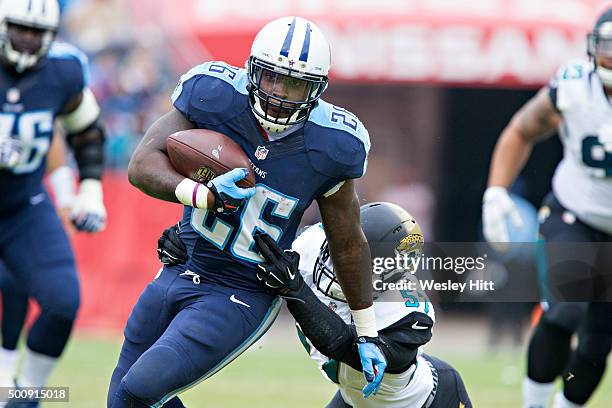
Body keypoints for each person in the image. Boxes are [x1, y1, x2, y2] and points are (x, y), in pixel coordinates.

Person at [108, 16, 383, 408]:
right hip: (180, 265)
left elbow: (347, 239)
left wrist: (367, 329)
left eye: (296, 84)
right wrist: (201, 196)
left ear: (318, 88)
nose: (280, 94)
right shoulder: (213, 95)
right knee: (123, 400)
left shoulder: (334, 144)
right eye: (272, 78)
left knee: (138, 392)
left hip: (240, 290)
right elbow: (142, 164)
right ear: (252, 69)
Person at [156, 202, 472, 407]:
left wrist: (295, 289)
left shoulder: (408, 314)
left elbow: (346, 347)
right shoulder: (310, 245)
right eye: (342, 253)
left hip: (427, 401)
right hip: (353, 399)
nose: (343, 268)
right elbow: (247, 257)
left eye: (361, 266)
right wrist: (190, 248)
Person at [482, 7, 612, 408]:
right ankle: (534, 404)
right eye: (609, 46)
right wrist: (496, 192)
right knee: (564, 312)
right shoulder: (574, 86)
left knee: (598, 341)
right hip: (573, 214)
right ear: (593, 48)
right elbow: (521, 129)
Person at [0, 0, 107, 405]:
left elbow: (85, 132)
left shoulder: (62, 71)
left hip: (23, 205)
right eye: (19, 28)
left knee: (62, 302)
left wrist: (89, 190)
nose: (27, 39)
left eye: (36, 31)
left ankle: (26, 394)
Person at [0, 129, 77, 394]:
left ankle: (10, 373)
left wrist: (68, 198)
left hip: (19, 205)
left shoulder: (43, 89)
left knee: (16, 282)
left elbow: (54, 132)